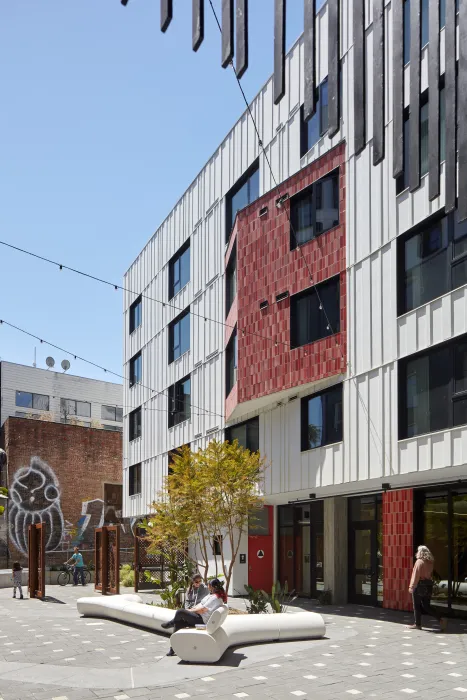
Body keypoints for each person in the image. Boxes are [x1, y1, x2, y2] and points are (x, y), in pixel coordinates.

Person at [162, 578, 227, 656]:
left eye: (208, 585)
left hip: (201, 620)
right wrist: (191, 609)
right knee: (179, 623)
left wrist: (188, 611)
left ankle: (171, 623)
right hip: (199, 617)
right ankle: (172, 649)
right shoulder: (213, 595)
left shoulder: (215, 598)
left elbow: (202, 610)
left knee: (180, 612)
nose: (207, 586)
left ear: (212, 587)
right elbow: (200, 605)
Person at [408, 545, 447, 632]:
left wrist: (411, 586)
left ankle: (417, 624)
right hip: (428, 585)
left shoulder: (419, 562)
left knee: (416, 605)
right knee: (426, 606)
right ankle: (441, 619)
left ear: (420, 552)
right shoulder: (430, 562)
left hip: (420, 585)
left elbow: (416, 575)